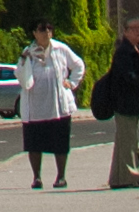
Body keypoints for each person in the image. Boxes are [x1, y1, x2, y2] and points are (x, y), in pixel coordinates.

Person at [15, 24, 87, 188]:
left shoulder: (61, 48)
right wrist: (24, 67)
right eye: (42, 30)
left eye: (49, 29)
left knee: (60, 142)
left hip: (57, 105)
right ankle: (37, 177)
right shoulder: (28, 52)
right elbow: (19, 72)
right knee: (34, 143)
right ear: (34, 33)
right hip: (35, 105)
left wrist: (72, 82)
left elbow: (78, 65)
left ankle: (61, 176)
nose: (46, 33)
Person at [95, 27, 139, 188]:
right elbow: (127, 76)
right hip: (125, 102)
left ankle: (118, 178)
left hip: (131, 103)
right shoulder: (124, 52)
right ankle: (132, 176)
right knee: (128, 141)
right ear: (126, 32)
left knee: (124, 141)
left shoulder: (135, 50)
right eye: (134, 29)